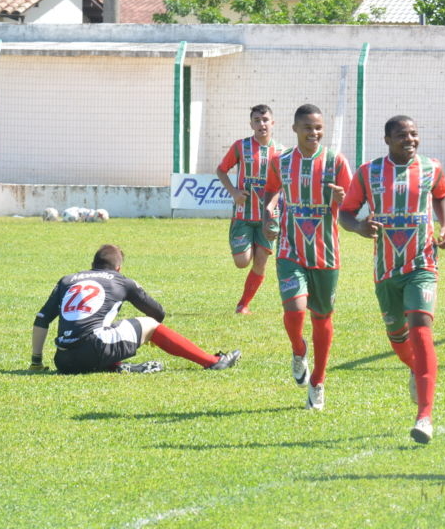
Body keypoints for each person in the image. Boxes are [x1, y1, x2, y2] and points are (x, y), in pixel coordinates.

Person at [339, 115, 445, 444]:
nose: (410, 140)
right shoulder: (368, 173)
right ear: (387, 139)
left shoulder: (431, 168)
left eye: (414, 134)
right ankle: (415, 371)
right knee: (398, 338)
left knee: (420, 327)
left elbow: (442, 194)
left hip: (422, 263)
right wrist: (358, 226)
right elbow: (346, 211)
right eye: (402, 135)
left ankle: (425, 416)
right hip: (386, 269)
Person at [261, 104, 353, 411]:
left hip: (326, 252)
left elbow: (352, 204)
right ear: (295, 130)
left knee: (322, 317)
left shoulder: (335, 161)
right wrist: (268, 213)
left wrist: (342, 200)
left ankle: (318, 380)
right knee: (296, 310)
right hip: (290, 248)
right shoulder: (281, 161)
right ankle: (298, 350)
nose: (314, 133)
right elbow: (271, 190)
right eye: (307, 128)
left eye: (318, 128)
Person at [29, 244, 241, 374]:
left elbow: (41, 319)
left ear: (92, 264)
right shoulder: (122, 280)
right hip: (94, 348)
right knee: (147, 324)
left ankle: (115, 366)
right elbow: (158, 314)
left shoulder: (68, 280)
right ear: (118, 268)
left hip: (63, 361)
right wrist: (145, 334)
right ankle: (212, 362)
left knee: (106, 330)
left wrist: (37, 362)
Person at [216, 104, 281, 314]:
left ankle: (243, 305)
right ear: (251, 124)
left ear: (273, 122)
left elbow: (283, 183)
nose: (261, 124)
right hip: (243, 215)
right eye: (257, 120)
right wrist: (234, 192)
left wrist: (272, 207)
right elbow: (221, 170)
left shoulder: (281, 152)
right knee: (242, 262)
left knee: (261, 262)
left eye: (265, 120)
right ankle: (249, 244)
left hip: (268, 217)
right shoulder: (240, 146)